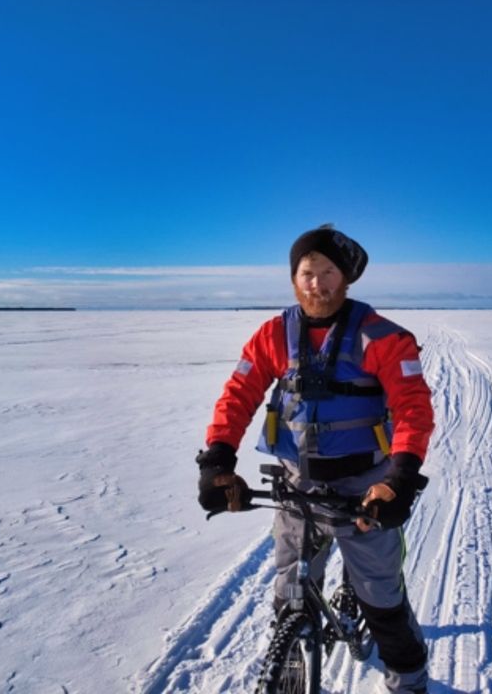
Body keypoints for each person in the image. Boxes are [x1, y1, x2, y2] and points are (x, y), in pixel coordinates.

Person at [197, 225, 434, 694]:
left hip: (365, 486)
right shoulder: (273, 334)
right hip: (296, 484)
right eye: (308, 272)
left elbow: (412, 407)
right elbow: (239, 394)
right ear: (293, 278)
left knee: (381, 601)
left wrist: (401, 476)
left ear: (345, 278)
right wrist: (217, 459)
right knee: (289, 595)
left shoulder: (381, 336)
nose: (317, 284)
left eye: (328, 272)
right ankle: (292, 671)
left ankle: (409, 680)